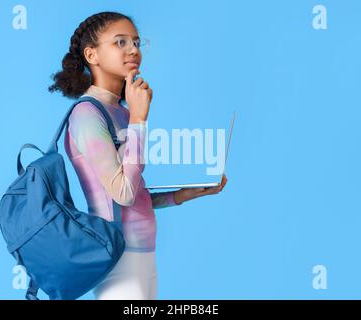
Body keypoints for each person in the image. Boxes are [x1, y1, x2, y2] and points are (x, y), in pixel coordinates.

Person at [48, 11, 228, 300]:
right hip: (120, 259)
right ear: (92, 55)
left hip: (143, 255)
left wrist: (180, 195)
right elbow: (122, 194)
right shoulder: (87, 114)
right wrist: (140, 118)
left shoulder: (120, 110)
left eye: (135, 42)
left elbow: (135, 194)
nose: (133, 49)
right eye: (120, 42)